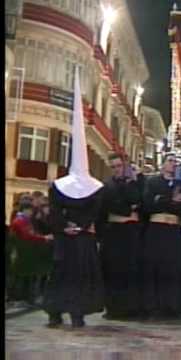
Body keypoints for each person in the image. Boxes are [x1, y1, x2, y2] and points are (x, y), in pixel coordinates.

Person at [43, 67, 105, 328]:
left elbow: (96, 213)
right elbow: (54, 210)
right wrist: (65, 226)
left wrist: (79, 226)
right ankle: (56, 311)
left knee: (80, 277)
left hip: (82, 240)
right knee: (60, 275)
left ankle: (78, 311)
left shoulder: (96, 187)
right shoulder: (58, 186)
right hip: (66, 240)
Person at [142, 153, 181, 319]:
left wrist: (163, 200)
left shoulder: (180, 184)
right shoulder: (152, 182)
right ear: (162, 164)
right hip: (156, 229)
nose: (173, 164)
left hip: (173, 231)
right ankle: (153, 307)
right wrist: (171, 200)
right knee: (154, 268)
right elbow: (148, 204)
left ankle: (171, 305)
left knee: (173, 268)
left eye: (176, 162)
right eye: (170, 161)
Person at [99, 153, 142, 320]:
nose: (117, 169)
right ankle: (113, 308)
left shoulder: (134, 184)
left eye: (119, 166)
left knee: (130, 271)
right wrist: (127, 211)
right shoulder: (107, 186)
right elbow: (106, 209)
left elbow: (139, 203)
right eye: (113, 167)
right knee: (112, 272)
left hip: (131, 235)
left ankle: (130, 308)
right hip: (113, 235)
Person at [9, 201, 54, 304]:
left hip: (27, 251)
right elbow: (27, 236)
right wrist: (44, 238)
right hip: (24, 251)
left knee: (26, 275)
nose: (31, 213)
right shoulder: (20, 221)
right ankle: (20, 296)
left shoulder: (25, 220)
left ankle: (25, 296)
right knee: (22, 275)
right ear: (25, 210)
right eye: (30, 210)